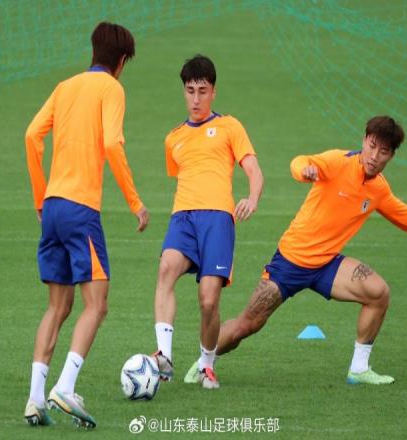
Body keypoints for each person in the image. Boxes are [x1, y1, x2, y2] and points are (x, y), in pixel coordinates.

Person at [184, 116, 407, 386]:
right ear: (364, 140)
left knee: (379, 293)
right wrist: (304, 170)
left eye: (384, 151)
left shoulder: (379, 188)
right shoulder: (338, 162)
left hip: (327, 264)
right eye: (372, 146)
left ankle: (359, 369)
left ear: (391, 156)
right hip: (290, 262)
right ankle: (203, 364)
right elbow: (299, 162)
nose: (375, 156)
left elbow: (401, 213)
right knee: (245, 326)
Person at [24, 22, 148, 428]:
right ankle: (65, 386)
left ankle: (35, 399)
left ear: (94, 50)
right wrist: (135, 203)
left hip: (53, 207)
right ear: (122, 61)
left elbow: (32, 136)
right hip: (81, 211)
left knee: (58, 307)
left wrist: (40, 197)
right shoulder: (111, 89)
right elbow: (112, 143)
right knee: (98, 304)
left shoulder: (65, 86)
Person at [152, 54, 264, 390]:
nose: (196, 99)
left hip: (217, 219)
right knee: (166, 268)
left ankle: (206, 365)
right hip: (183, 216)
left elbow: (254, 170)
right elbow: (183, 176)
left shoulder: (230, 126)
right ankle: (164, 356)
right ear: (184, 92)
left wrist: (252, 198)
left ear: (213, 92)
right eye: (190, 91)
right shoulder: (173, 138)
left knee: (208, 300)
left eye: (203, 91)